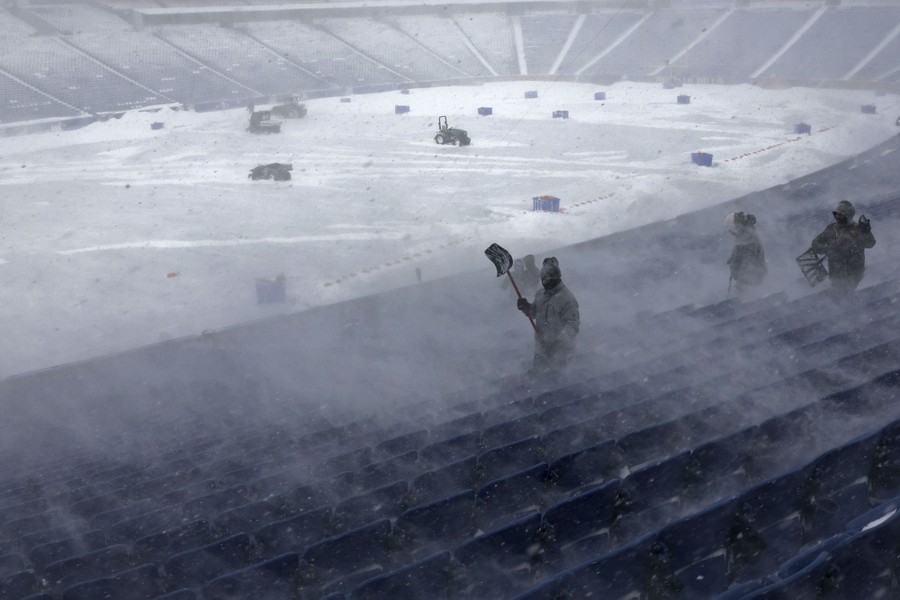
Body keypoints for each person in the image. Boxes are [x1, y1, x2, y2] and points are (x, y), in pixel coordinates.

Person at [516, 257, 580, 374]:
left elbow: (572, 325)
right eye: (543, 280)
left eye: (547, 280)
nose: (544, 283)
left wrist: (559, 343)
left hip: (561, 351)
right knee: (538, 376)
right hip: (542, 346)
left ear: (555, 278)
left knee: (557, 379)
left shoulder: (567, 298)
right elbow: (534, 313)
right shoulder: (540, 294)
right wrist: (525, 307)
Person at [810, 200, 875, 295]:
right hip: (836, 274)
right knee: (839, 295)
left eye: (841, 214)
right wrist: (827, 249)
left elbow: (871, 243)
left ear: (848, 215)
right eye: (837, 213)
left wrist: (866, 232)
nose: (838, 216)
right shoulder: (831, 229)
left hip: (854, 273)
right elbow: (815, 243)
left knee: (846, 295)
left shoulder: (858, 229)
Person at [725, 211, 767, 296]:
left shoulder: (747, 236)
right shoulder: (747, 233)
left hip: (750, 276)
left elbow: (747, 260)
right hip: (752, 273)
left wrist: (734, 263)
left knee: (747, 295)